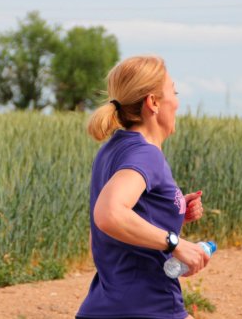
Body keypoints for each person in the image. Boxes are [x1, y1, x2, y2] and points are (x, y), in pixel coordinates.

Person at [76, 55, 208, 319]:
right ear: (153, 102)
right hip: (148, 307)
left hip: (103, 309)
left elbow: (101, 234)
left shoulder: (111, 150)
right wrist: (175, 243)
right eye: (174, 91)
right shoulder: (146, 155)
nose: (178, 102)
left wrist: (173, 210)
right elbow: (109, 214)